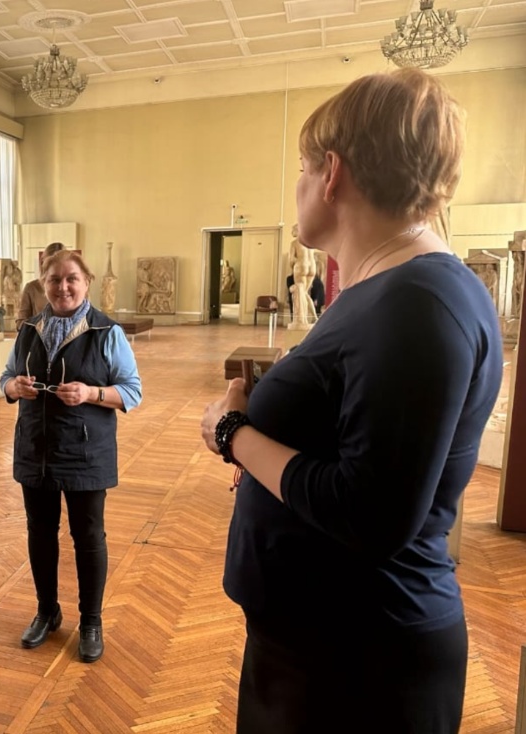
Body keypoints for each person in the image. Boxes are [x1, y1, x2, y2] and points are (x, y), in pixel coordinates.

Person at [199, 69, 502, 733]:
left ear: (332, 173)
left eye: (301, 168)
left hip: (357, 663)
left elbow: (370, 514)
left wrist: (232, 433)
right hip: (320, 646)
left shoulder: (417, 303)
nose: (299, 184)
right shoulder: (389, 291)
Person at [0, 249, 142, 664]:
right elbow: (5, 377)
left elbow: (132, 391)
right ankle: (47, 611)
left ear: (86, 282)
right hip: (35, 449)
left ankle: (91, 621)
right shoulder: (29, 329)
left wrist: (91, 393)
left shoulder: (107, 331)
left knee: (89, 537)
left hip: (85, 453)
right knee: (40, 533)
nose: (63, 287)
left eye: (71, 279)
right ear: (43, 284)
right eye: (54, 280)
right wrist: (13, 388)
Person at [15, 242, 64, 329]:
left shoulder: (71, 288)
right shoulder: (31, 288)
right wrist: (40, 326)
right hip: (38, 336)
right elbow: (20, 323)